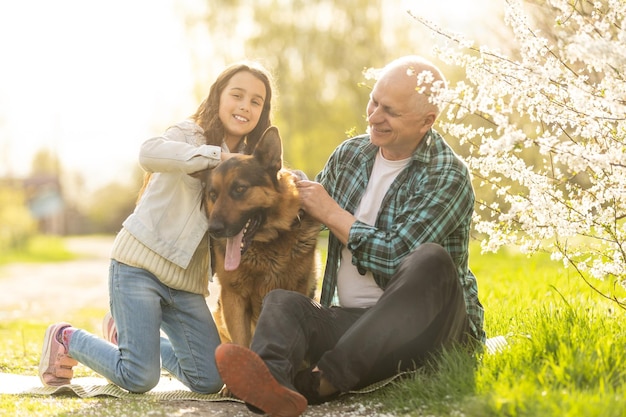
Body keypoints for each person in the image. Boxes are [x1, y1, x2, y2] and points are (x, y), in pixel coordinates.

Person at [214, 55, 486, 416]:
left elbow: (396, 257)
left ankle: (323, 379)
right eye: (374, 101)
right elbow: (301, 213)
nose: (373, 116)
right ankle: (271, 386)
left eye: (390, 111)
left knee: (431, 259)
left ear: (426, 122)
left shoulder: (447, 175)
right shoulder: (351, 155)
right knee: (283, 302)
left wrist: (332, 213)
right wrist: (273, 190)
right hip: (352, 321)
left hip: (428, 332)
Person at [38, 60, 275, 394]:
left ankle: (127, 337)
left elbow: (277, 189)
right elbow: (149, 153)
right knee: (139, 377)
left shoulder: (252, 163)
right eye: (237, 95)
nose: (244, 106)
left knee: (209, 379)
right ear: (218, 96)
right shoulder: (190, 133)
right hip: (139, 270)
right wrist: (214, 158)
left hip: (186, 287)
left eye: (256, 101)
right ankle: (66, 337)